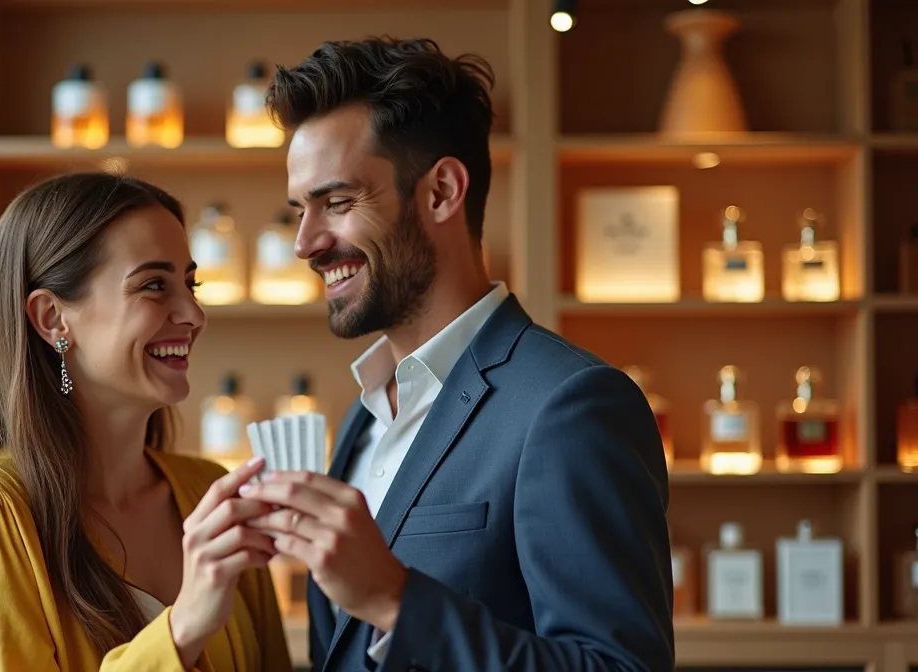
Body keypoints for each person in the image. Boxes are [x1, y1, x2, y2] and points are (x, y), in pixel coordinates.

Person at [241, 37, 675, 671]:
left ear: (442, 191)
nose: (305, 244)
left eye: (336, 202)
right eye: (299, 211)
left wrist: (395, 599)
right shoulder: (361, 420)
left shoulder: (573, 405)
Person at [0, 172, 293, 672]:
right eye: (154, 285)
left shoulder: (214, 495)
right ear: (52, 319)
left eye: (190, 284)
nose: (193, 313)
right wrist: (183, 628)